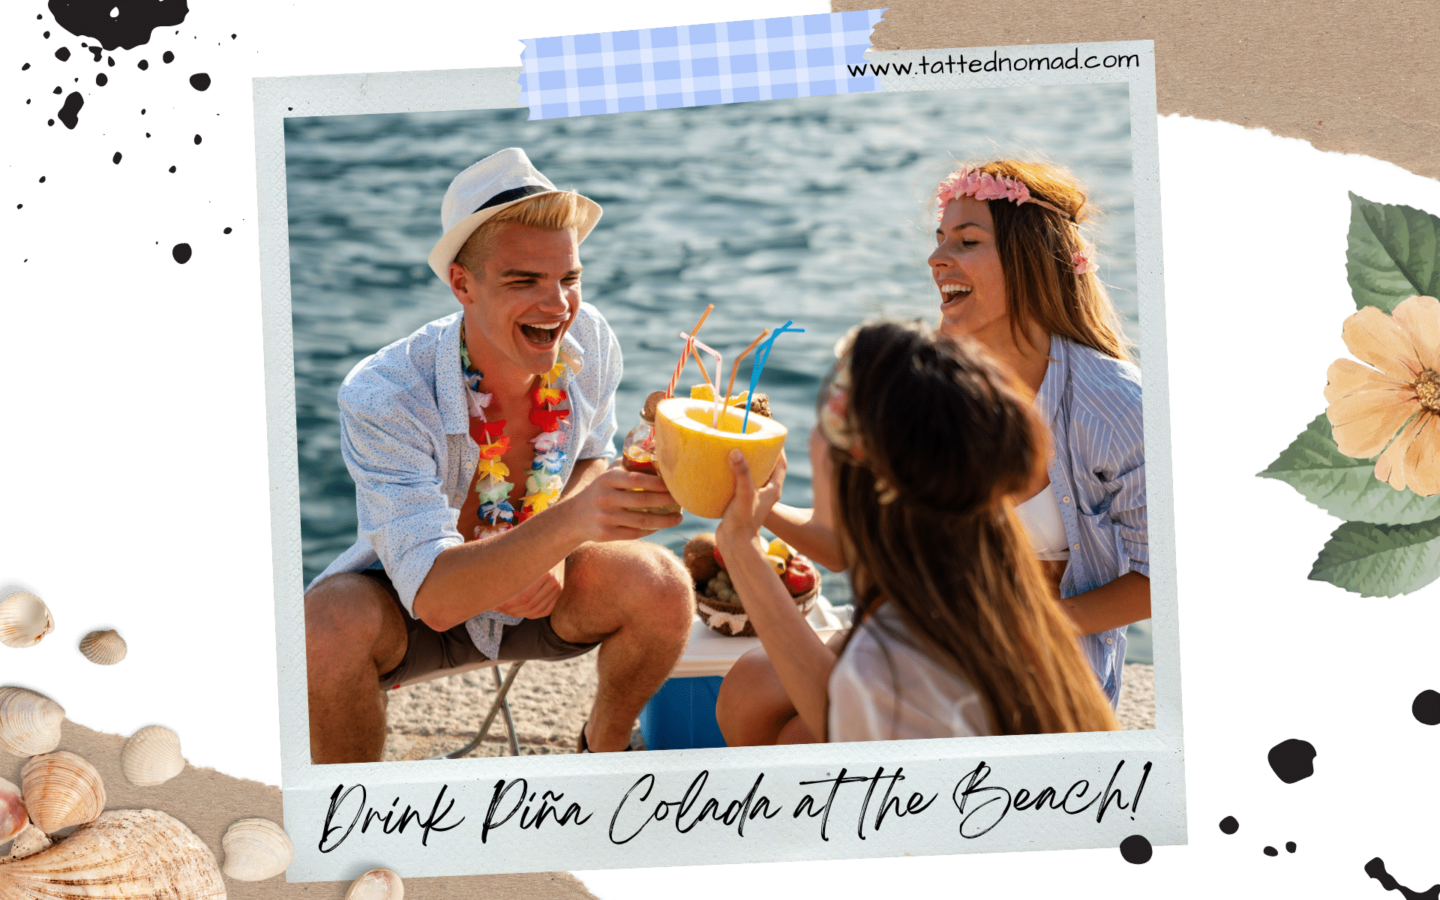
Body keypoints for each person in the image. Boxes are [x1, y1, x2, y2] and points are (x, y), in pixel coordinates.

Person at [717, 159, 1147, 745]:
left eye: (966, 241)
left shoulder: (1116, 404)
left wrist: (1028, 628)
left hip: (1041, 654)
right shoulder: (933, 382)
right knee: (748, 690)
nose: (937, 258)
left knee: (803, 737)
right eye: (939, 239)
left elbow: (1162, 576)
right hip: (931, 621)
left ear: (1030, 260)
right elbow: (848, 545)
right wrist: (750, 506)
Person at [304, 148, 695, 763]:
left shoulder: (589, 335)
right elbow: (432, 597)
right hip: (417, 610)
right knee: (321, 628)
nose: (559, 305)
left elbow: (594, 452)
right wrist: (567, 526)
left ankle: (606, 748)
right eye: (524, 281)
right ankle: (358, 821)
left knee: (665, 584)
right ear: (462, 283)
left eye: (568, 278)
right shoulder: (384, 393)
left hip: (548, 599)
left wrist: (559, 548)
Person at [714, 320, 1120, 742]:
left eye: (823, 424)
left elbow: (856, 722)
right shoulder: (979, 576)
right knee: (768, 708)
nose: (812, 439)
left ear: (857, 467)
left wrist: (740, 549)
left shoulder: (889, 666)